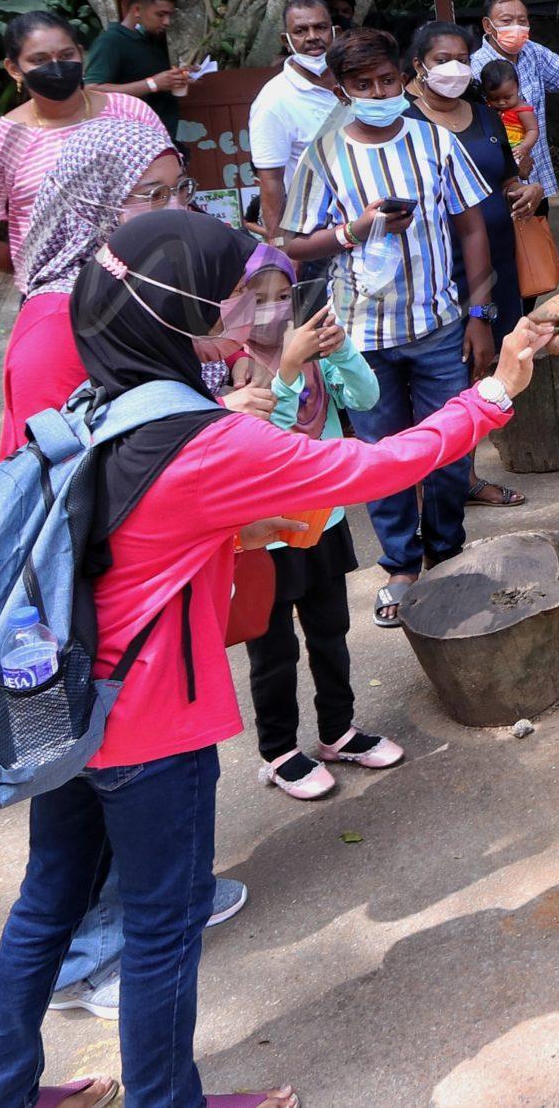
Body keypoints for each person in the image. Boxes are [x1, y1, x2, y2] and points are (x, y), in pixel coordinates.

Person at [0, 210, 547, 1108]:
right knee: (162, 930)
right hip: (150, 724)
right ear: (176, 317)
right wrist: (497, 391)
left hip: (59, 701)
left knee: (47, 903)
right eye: (229, 298)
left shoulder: (98, 400)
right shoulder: (206, 437)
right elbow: (379, 464)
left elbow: (134, 534)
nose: (244, 314)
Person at [279, 29, 498, 627]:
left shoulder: (433, 141)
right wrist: (356, 230)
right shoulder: (323, 155)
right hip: (360, 339)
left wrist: (479, 317)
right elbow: (294, 242)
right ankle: (402, 566)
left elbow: (472, 228)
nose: (378, 92)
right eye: (362, 85)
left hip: (438, 325)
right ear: (341, 90)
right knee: (381, 457)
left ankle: (448, 551)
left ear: (404, 78)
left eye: (386, 81)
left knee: (451, 447)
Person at [214, 244, 402, 800]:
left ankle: (337, 731)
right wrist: (292, 367)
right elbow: (272, 439)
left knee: (331, 632)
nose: (273, 311)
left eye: (282, 296)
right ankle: (279, 751)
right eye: (257, 298)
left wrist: (340, 354)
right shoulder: (231, 372)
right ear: (232, 305)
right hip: (264, 534)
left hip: (324, 519)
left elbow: (366, 397)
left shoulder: (315, 355)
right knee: (272, 652)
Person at [0, 13, 168, 456]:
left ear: (82, 55)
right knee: (72, 431)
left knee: (158, 419)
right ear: (14, 69)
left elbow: (167, 191)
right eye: (41, 59)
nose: (57, 66)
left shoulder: (132, 112)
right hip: (61, 309)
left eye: (67, 55)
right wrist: (48, 269)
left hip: (149, 291)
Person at [406, 21, 540, 507]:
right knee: (444, 375)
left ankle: (460, 476)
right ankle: (440, 480)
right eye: (442, 59)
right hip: (439, 274)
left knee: (485, 369)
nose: (455, 68)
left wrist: (527, 189)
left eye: (463, 58)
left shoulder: (486, 117)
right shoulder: (405, 124)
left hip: (497, 266)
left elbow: (504, 177)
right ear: (419, 65)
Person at [477, 0, 559, 198]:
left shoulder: (532, 52)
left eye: (522, 20)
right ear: (487, 25)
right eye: (506, 20)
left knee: (539, 224)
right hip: (499, 178)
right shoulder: (475, 69)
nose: (516, 26)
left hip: (536, 169)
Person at [250, 0, 346, 255]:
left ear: (335, 32)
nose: (313, 37)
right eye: (301, 30)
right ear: (286, 40)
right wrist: (281, 247)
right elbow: (271, 182)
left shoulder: (356, 81)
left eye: (321, 27)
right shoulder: (273, 100)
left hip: (368, 222)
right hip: (315, 235)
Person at [84, 0, 196, 136]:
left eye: (170, 15)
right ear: (137, 10)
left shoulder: (151, 40)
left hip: (162, 137)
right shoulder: (110, 42)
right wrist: (152, 84)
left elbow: (155, 79)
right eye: (161, 14)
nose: (167, 22)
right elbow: (92, 90)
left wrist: (179, 76)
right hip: (131, 140)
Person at [482, 60, 536, 170]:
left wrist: (524, 146)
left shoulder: (523, 110)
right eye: (494, 99)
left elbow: (532, 130)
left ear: (517, 87)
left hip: (515, 152)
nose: (501, 102)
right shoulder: (487, 107)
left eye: (507, 97)